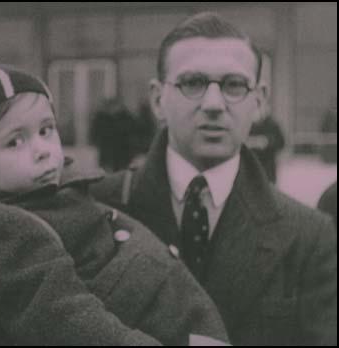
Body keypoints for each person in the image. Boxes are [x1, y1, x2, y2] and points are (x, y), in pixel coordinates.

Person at [0, 64, 229, 346]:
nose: (41, 149)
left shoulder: (48, 193)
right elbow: (68, 324)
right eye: (15, 141)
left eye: (46, 129)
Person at [91, 12, 337, 346]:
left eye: (234, 85)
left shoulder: (308, 237)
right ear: (157, 100)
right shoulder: (97, 207)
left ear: (260, 100)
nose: (213, 104)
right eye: (192, 83)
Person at [246, 113, 285, 183]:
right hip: (250, 171)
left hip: (268, 170)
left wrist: (267, 141)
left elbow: (281, 143)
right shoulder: (247, 125)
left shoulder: (272, 125)